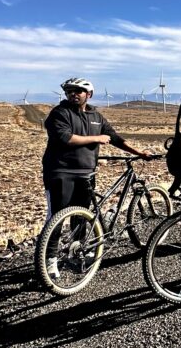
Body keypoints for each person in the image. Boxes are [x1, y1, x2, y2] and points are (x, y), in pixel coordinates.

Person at [41, 77, 153, 277]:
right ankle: (49, 262)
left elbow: (115, 137)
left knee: (81, 215)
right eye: (69, 91)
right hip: (61, 173)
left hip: (86, 173)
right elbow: (65, 138)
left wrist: (138, 152)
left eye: (78, 91)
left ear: (88, 94)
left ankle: (77, 251)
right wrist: (97, 139)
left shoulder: (96, 116)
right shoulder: (59, 113)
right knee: (56, 219)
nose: (73, 94)